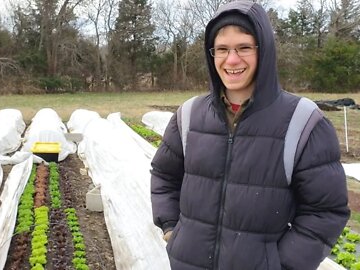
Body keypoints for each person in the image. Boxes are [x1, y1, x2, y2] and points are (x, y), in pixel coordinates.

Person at [150, 1, 350, 270]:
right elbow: (164, 175)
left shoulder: (303, 122)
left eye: (244, 47)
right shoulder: (189, 115)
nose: (232, 60)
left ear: (263, 50)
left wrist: (281, 264)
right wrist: (172, 230)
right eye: (222, 49)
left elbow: (325, 210)